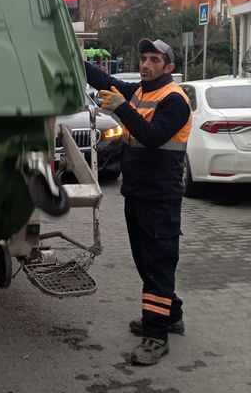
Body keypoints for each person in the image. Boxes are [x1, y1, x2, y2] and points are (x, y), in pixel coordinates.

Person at [84, 38, 192, 366]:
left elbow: (152, 135)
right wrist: (70, 55)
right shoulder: (142, 92)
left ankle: (156, 335)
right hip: (138, 192)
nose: (146, 64)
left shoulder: (175, 100)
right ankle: (170, 314)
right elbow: (105, 81)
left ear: (169, 67)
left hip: (160, 197)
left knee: (158, 263)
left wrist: (120, 107)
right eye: (143, 58)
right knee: (147, 261)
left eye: (154, 60)